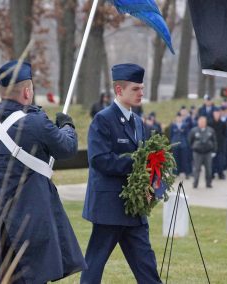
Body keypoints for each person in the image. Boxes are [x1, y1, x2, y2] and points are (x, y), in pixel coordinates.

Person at [0, 61, 86, 283]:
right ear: (27, 91)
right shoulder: (36, 122)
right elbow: (66, 148)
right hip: (32, 216)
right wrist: (67, 126)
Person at [81, 63, 162, 284]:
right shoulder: (103, 119)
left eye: (142, 88)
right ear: (119, 90)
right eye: (135, 89)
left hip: (134, 209)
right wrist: (137, 165)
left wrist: (150, 182)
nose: (141, 93)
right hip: (109, 208)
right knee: (94, 267)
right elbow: (99, 160)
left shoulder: (137, 121)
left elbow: (146, 157)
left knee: (146, 266)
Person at [188, 116, 217, 189]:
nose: (202, 123)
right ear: (198, 122)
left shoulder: (211, 130)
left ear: (206, 122)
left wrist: (214, 151)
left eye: (203, 122)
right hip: (197, 153)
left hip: (208, 152)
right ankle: (195, 183)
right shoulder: (193, 130)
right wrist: (193, 148)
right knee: (197, 168)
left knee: (209, 169)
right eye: (200, 122)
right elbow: (190, 140)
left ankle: (208, 183)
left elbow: (214, 141)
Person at [169, 112, 191, 178]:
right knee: (175, 159)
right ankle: (175, 173)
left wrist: (187, 143)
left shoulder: (185, 125)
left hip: (183, 144)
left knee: (185, 159)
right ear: (176, 118)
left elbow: (187, 135)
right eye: (177, 117)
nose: (179, 119)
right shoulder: (173, 125)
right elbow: (171, 135)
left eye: (180, 117)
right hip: (175, 144)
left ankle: (187, 173)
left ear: (182, 118)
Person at [208, 107, 227, 179]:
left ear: (220, 114)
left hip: (220, 144)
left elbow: (225, 134)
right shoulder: (210, 123)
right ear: (213, 114)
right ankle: (212, 173)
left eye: (218, 113)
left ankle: (220, 173)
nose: (216, 115)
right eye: (215, 113)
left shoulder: (223, 124)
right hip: (211, 145)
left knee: (220, 160)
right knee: (212, 160)